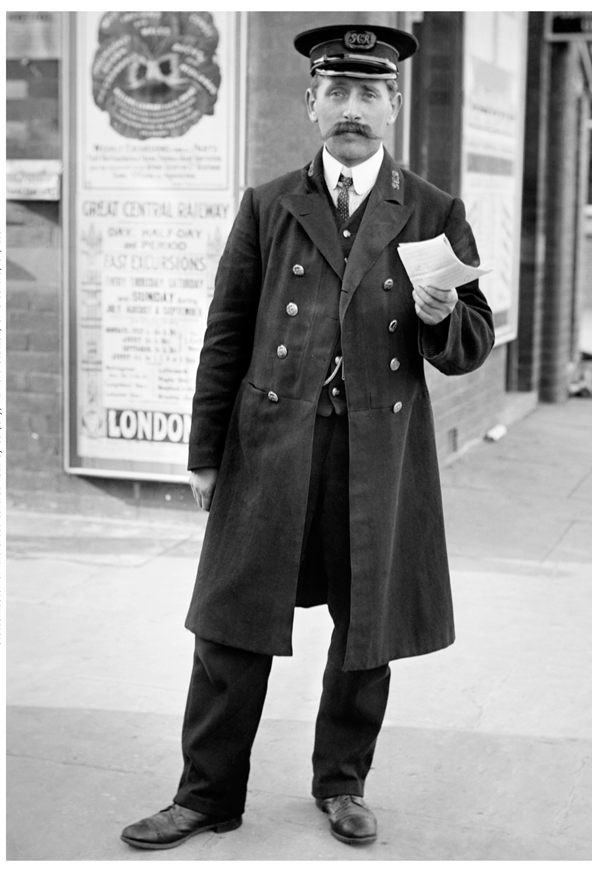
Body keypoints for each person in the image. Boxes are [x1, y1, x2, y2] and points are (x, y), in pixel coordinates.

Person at [121, 22, 494, 851]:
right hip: (270, 446)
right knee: (230, 624)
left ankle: (343, 784)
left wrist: (442, 319)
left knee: (367, 632)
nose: (352, 109)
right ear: (311, 104)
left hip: (377, 453)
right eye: (337, 92)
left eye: (369, 93)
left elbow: (472, 344)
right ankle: (206, 794)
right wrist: (204, 453)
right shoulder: (269, 203)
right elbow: (225, 335)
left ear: (392, 106)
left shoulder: (433, 210)